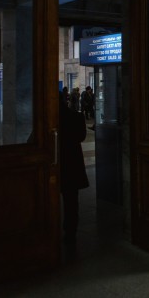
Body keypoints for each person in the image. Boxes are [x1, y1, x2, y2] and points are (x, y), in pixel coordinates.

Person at [58, 92, 89, 244]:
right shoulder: (76, 117)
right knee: (71, 201)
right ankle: (70, 230)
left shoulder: (47, 118)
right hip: (72, 162)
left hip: (54, 162)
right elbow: (81, 136)